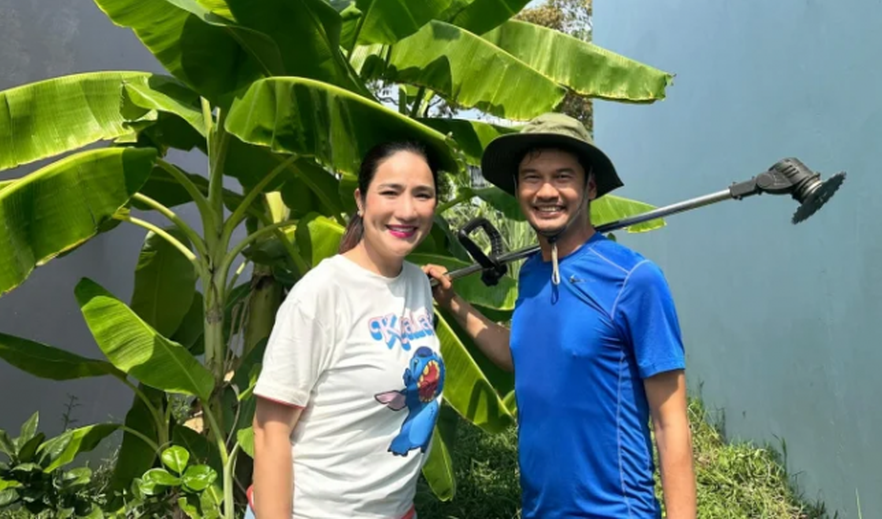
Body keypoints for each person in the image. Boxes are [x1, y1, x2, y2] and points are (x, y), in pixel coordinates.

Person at [425, 113, 696, 519]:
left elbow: (670, 422)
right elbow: (523, 356)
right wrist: (454, 305)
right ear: (516, 189)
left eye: (563, 176)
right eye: (531, 177)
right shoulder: (533, 273)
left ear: (589, 186)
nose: (546, 191)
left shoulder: (634, 281)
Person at [248, 139, 448, 519]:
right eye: (390, 192)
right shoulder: (321, 294)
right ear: (360, 200)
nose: (406, 210)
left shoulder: (417, 284)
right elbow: (269, 431)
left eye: (422, 195)